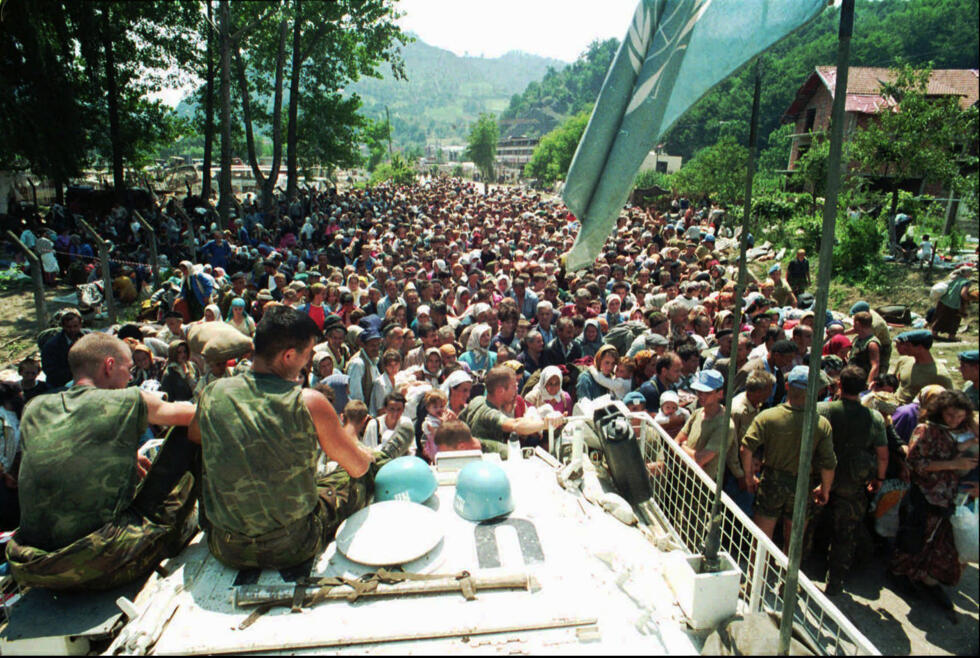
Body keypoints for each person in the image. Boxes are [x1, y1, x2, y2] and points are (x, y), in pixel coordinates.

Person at [190, 306, 411, 570]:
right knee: (355, 476)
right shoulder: (308, 402)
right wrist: (365, 456)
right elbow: (357, 467)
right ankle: (387, 453)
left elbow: (195, 435)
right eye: (307, 355)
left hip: (225, 546)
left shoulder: (213, 392)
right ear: (288, 355)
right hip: (292, 545)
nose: (308, 363)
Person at [6, 333, 198, 590]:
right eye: (127, 369)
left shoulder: (35, 408)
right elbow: (198, 414)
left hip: (32, 565)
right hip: (95, 563)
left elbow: (65, 447)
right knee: (191, 433)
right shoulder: (128, 399)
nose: (130, 377)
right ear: (109, 366)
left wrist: (127, 454)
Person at [890, 390, 978, 612]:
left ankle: (924, 577)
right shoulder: (926, 430)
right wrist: (953, 465)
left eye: (959, 416)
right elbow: (914, 462)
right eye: (950, 416)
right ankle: (900, 573)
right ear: (940, 412)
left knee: (938, 540)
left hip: (950, 497)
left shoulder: (961, 432)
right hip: (925, 493)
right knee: (914, 536)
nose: (954, 420)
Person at [740, 365, 837, 552]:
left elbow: (746, 447)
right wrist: (825, 488)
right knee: (793, 541)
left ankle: (754, 576)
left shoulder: (768, 416)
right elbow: (828, 462)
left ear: (787, 386)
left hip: (772, 481)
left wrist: (749, 476)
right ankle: (786, 580)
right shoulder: (820, 424)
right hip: (802, 484)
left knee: (762, 537)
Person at [816, 365, 889, 596]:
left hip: (819, 477)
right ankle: (835, 580)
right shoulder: (874, 417)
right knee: (845, 532)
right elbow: (882, 454)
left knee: (807, 526)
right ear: (864, 388)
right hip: (853, 481)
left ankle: (794, 572)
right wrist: (879, 478)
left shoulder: (823, 410)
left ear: (839, 385)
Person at [459, 366, 563, 445]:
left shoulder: (477, 400)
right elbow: (516, 425)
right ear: (500, 391)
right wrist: (547, 424)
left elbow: (458, 421)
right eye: (513, 386)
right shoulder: (490, 413)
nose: (517, 390)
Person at [675, 370, 734, 483]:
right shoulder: (697, 413)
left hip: (702, 485)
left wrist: (682, 446)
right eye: (699, 391)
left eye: (707, 393)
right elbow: (675, 442)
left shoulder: (725, 425)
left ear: (720, 394)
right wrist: (685, 449)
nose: (701, 396)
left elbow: (699, 459)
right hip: (681, 478)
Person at [891, 330, 953, 404]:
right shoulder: (904, 360)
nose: (904, 348)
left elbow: (949, 400)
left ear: (920, 348)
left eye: (908, 345)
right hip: (894, 403)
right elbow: (894, 382)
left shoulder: (940, 375)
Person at [40, 308, 86, 389]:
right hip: (60, 384)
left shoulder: (87, 338)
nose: (72, 330)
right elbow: (50, 371)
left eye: (75, 326)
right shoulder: (52, 346)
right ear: (63, 327)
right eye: (69, 327)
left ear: (80, 325)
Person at [930, 266, 973, 341]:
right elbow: (963, 294)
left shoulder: (954, 278)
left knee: (940, 317)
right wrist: (969, 299)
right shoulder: (967, 282)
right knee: (955, 319)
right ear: (967, 273)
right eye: (970, 272)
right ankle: (951, 336)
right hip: (954, 303)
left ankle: (934, 333)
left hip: (944, 299)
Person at [848, 311, 880, 389]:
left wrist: (868, 384)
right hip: (851, 378)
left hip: (861, 381)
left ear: (858, 324)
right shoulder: (857, 338)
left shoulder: (872, 344)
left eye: (854, 323)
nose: (853, 326)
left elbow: (875, 365)